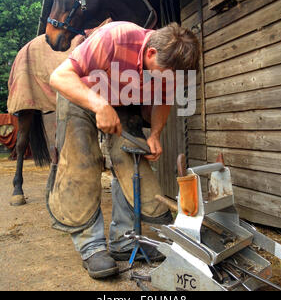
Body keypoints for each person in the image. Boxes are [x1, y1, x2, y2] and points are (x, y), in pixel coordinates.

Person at [47, 20, 199, 280]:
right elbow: (59, 76)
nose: (167, 80)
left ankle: (124, 241)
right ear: (150, 53)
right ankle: (91, 246)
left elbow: (163, 98)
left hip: (121, 99)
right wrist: (99, 105)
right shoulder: (114, 37)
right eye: (164, 73)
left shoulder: (168, 66)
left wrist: (155, 134)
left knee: (131, 160)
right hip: (80, 93)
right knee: (82, 163)